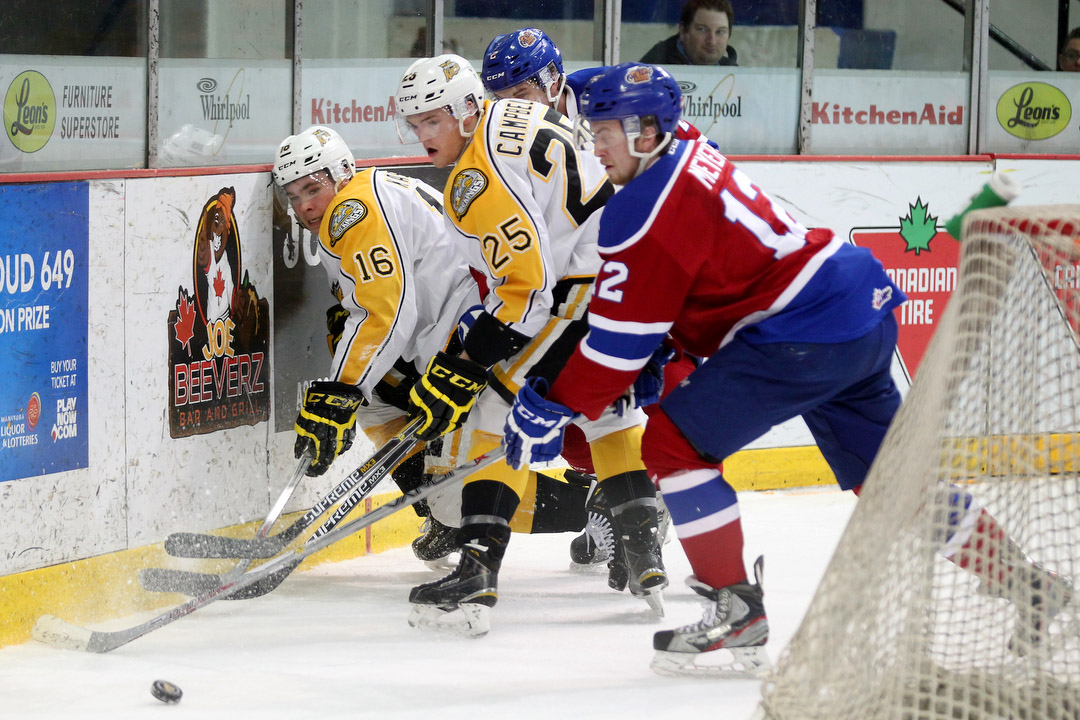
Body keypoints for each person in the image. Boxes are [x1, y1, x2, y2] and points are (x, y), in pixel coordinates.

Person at [503, 62, 1075, 677]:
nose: (596, 146)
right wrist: (664, 346)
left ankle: (736, 611)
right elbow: (701, 273)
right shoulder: (688, 144)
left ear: (645, 133)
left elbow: (616, 348)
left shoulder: (640, 209)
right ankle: (1027, 583)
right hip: (858, 305)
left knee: (672, 444)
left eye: (605, 132)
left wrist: (551, 403)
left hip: (803, 333)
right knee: (895, 482)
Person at [394, 54, 668, 636]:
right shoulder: (520, 118)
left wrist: (468, 363)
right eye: (415, 124)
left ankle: (476, 570)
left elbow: (527, 287)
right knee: (610, 415)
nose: (423, 136)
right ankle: (645, 554)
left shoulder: (475, 175)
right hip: (628, 283)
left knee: (493, 411)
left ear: (468, 110)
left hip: (583, 288)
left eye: (433, 120)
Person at [272, 126, 597, 566]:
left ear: (343, 171)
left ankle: (597, 508)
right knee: (376, 402)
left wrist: (341, 389)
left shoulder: (353, 211)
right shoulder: (371, 191)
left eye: (313, 188)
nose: (305, 205)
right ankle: (442, 514)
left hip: (474, 347)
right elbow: (387, 300)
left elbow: (387, 311)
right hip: (455, 335)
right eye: (293, 196)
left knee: (451, 495)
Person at [481, 26, 717, 147]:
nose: (510, 108)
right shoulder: (501, 130)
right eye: (502, 100)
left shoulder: (610, 90)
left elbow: (700, 147)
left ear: (551, 81)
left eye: (521, 95)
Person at [640, 0, 737, 67]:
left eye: (720, 32)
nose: (712, 41)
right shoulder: (655, 68)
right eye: (702, 29)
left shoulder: (732, 71)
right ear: (683, 32)